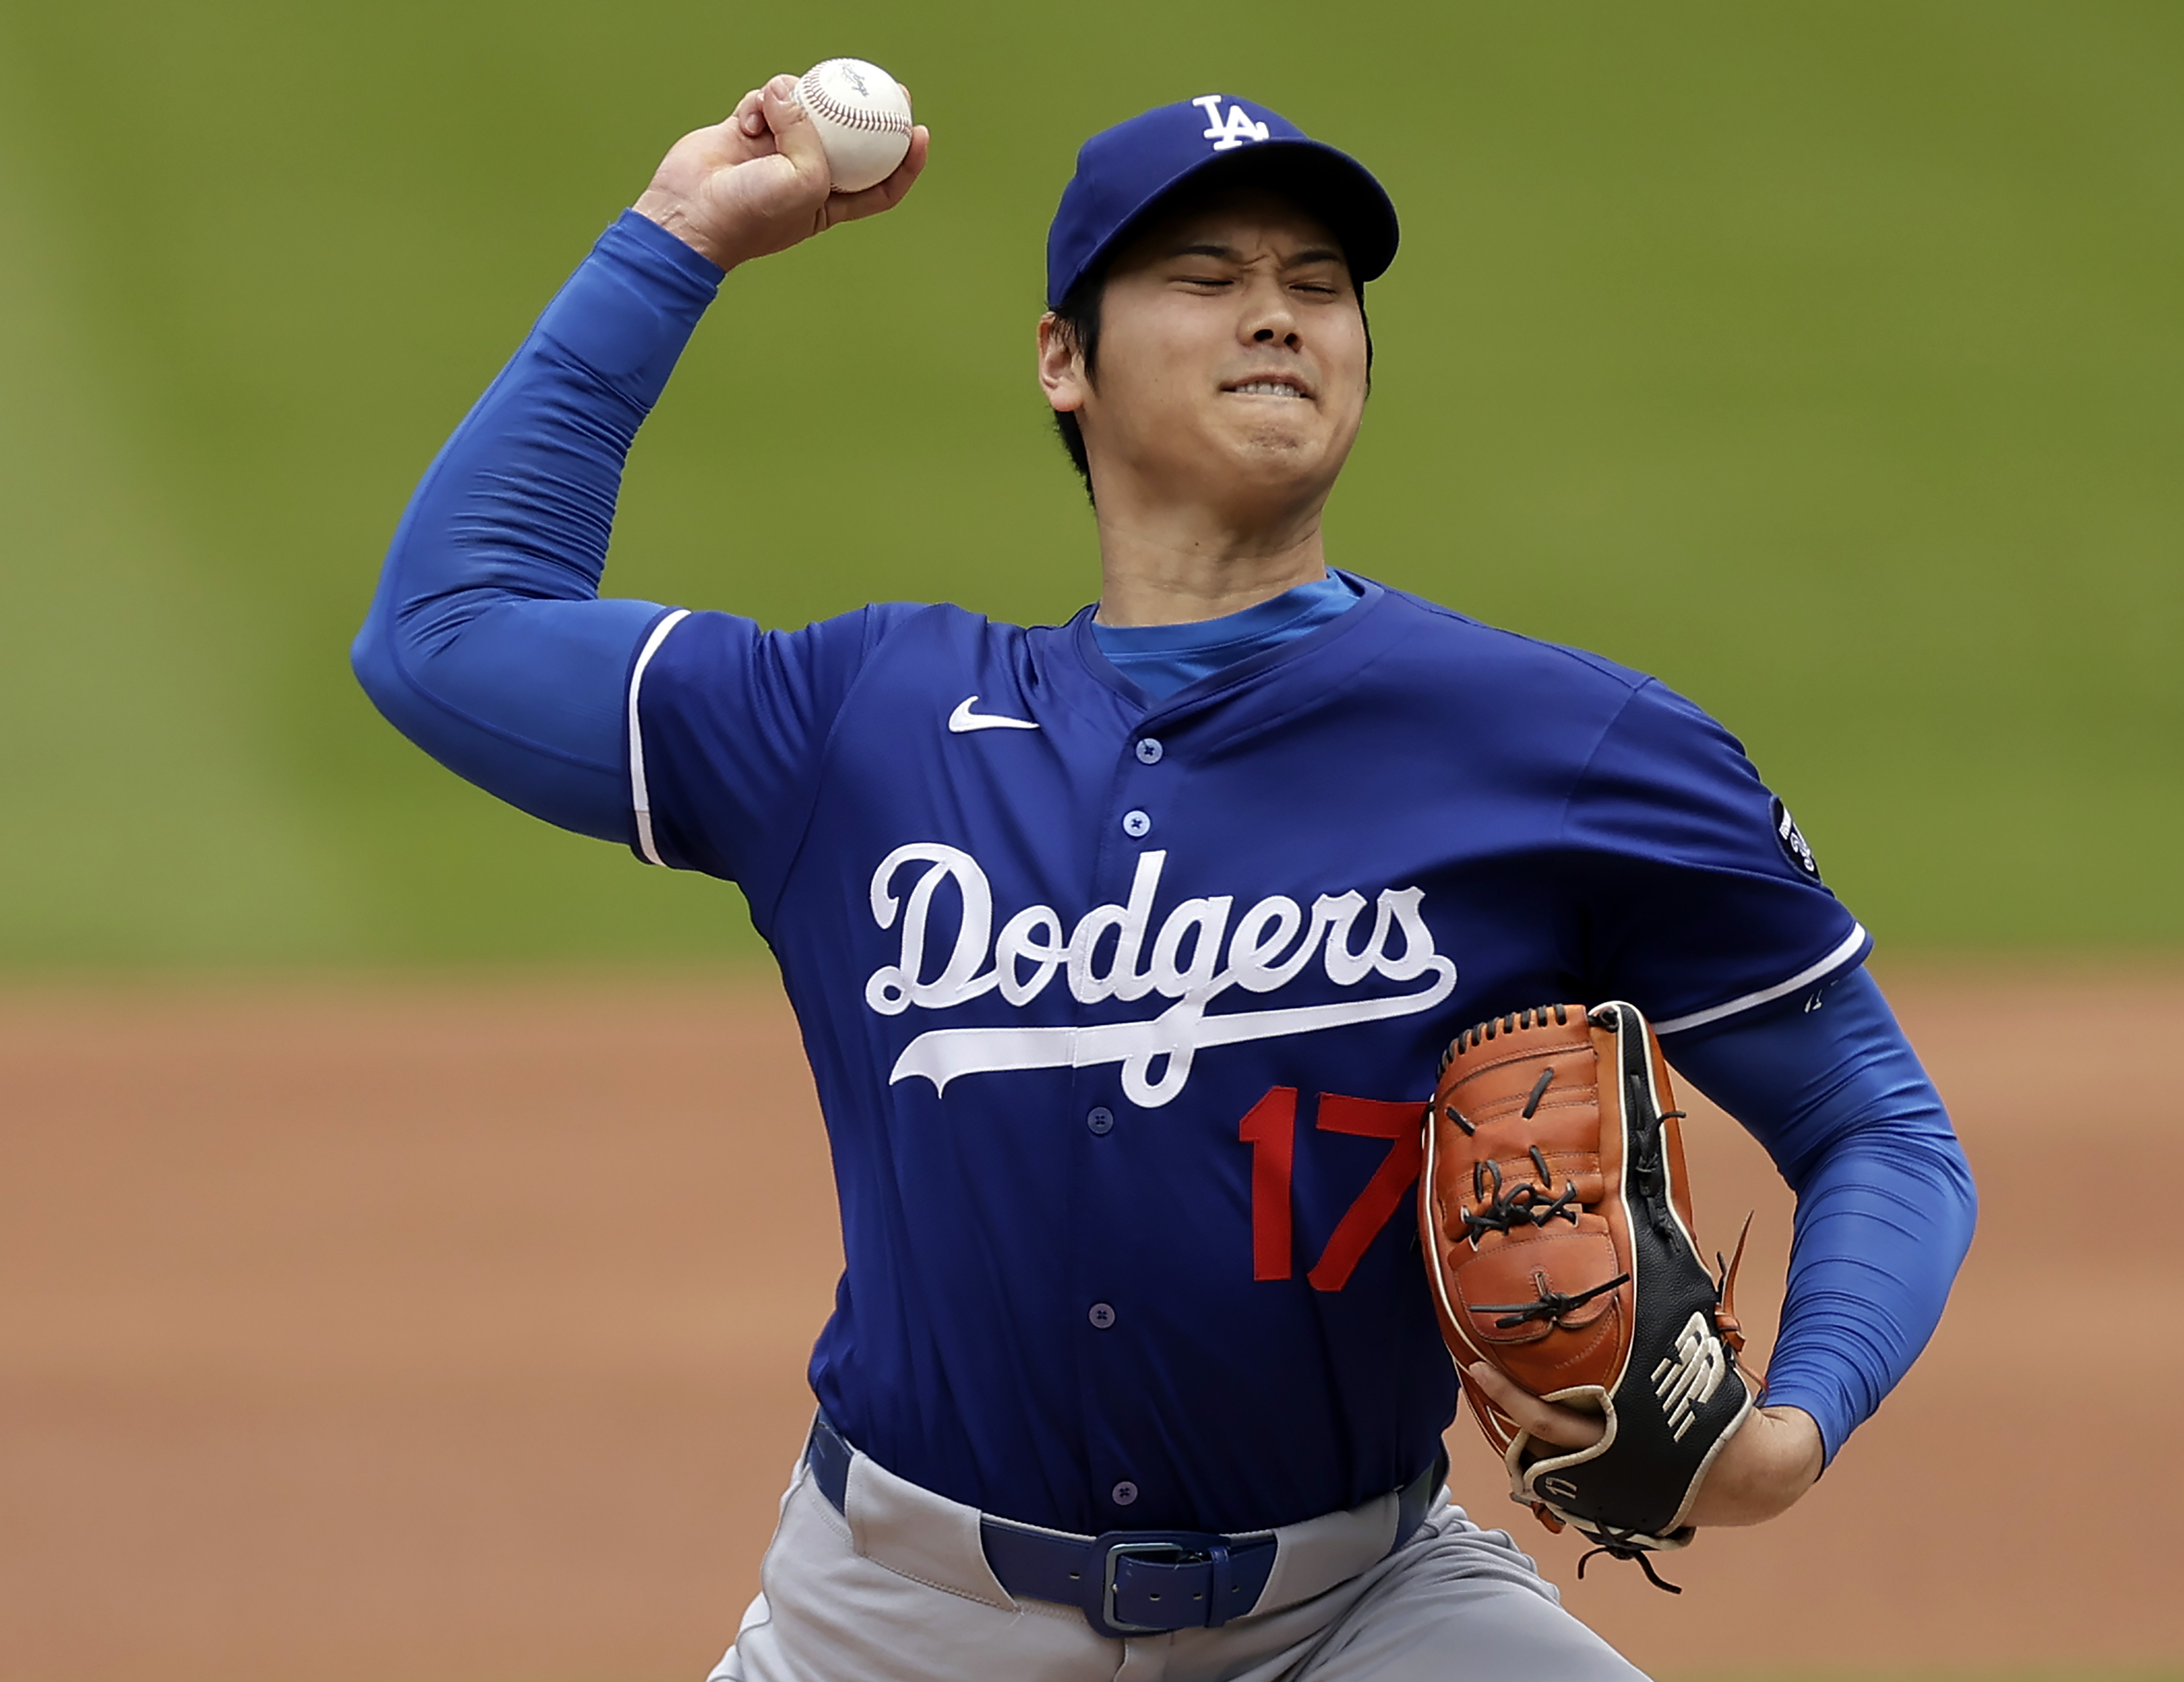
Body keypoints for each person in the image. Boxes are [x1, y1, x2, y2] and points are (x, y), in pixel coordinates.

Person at [354, 74, 1977, 1682]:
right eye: (1204, 279)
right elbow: (443, 636)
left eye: (1317, 286)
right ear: (1064, 359)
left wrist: (1786, 1431)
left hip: (1361, 1613)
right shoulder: (861, 722)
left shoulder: (1565, 743)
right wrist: (677, 238)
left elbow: (1878, 1124)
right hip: (898, 1626)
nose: (1275, 316)